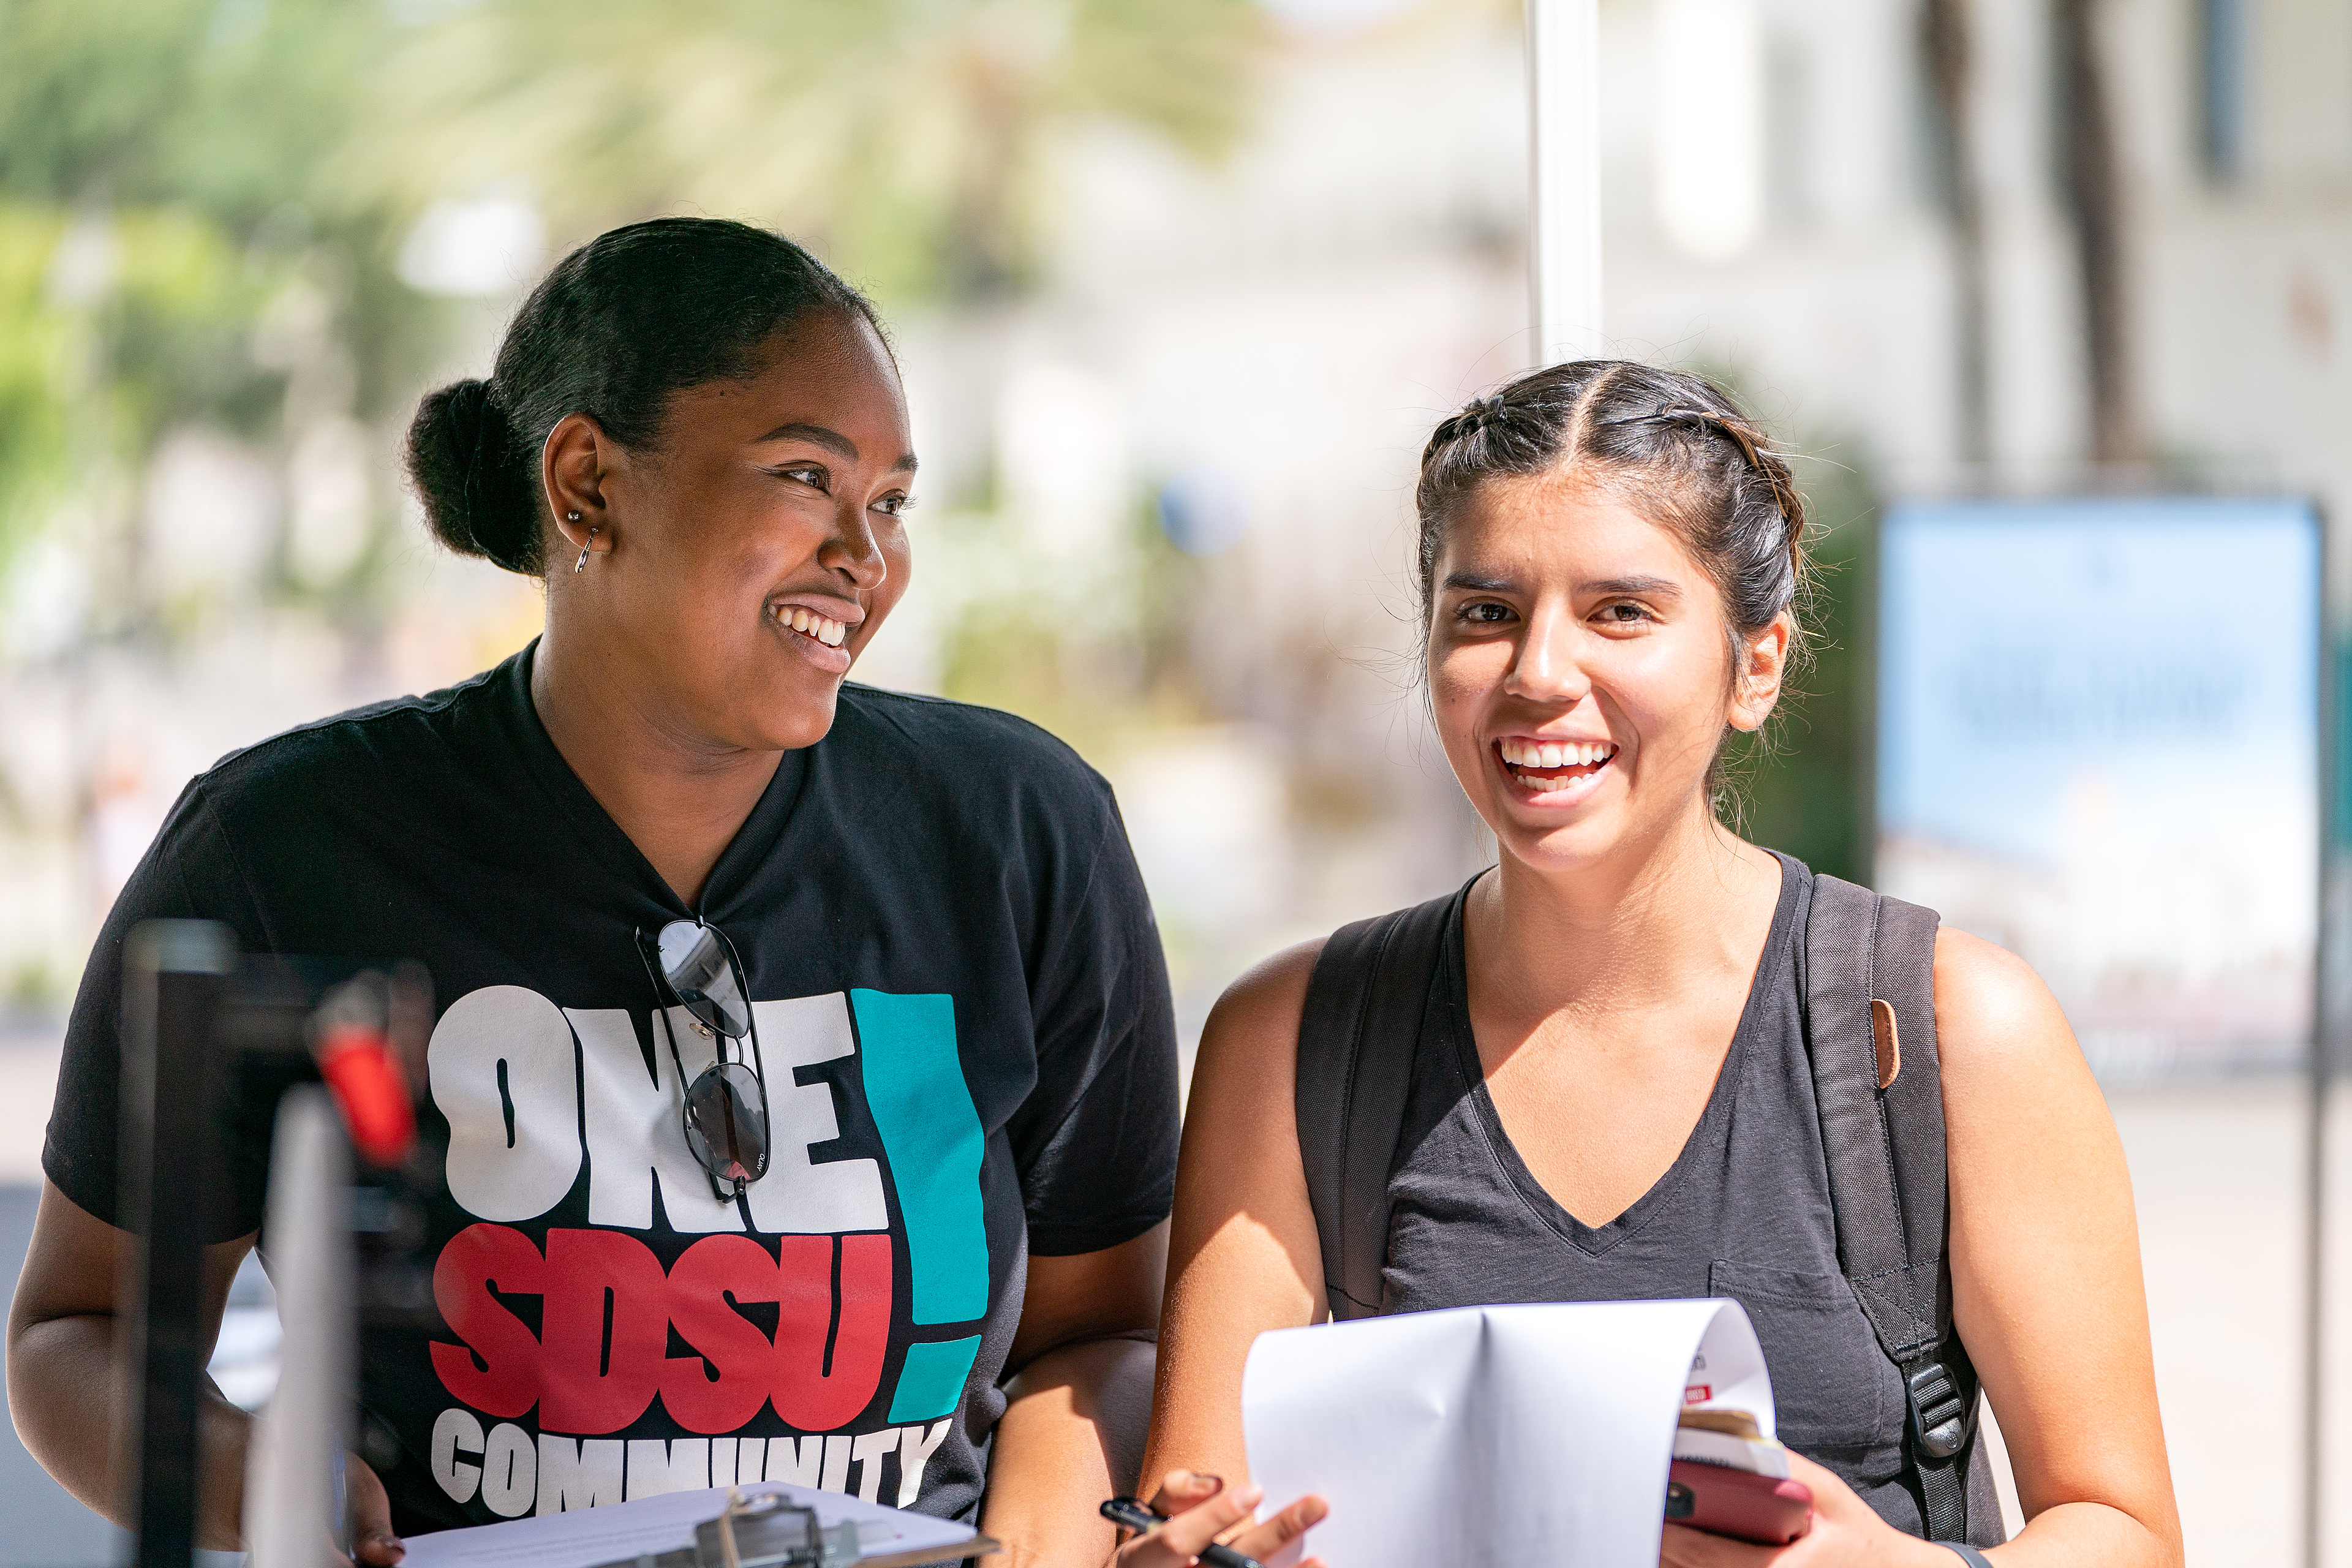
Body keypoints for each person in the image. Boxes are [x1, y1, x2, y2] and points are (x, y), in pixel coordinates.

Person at [11, 216, 1207, 1567]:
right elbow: (81, 1327)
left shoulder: (1017, 832)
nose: (865, 558)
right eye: (806, 476)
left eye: (888, 500)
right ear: (585, 485)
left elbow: (1105, 1323)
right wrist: (253, 1481)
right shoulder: (285, 847)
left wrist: (1034, 1555)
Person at [1141, 361, 2185, 1566]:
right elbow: (1190, 1511)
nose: (1538, 671)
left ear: (1758, 664)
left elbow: (2130, 1531)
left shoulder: (1950, 1025)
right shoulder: (1294, 1039)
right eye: (1485, 611)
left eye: (1620, 611)